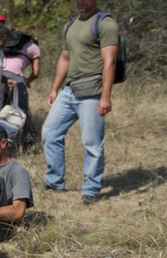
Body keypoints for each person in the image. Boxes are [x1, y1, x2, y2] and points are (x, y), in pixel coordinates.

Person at [42, 0, 119, 204]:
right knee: (50, 133)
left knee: (92, 143)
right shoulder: (71, 24)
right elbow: (65, 58)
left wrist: (105, 96)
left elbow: (109, 61)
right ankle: (54, 182)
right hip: (69, 91)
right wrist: (54, 88)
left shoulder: (105, 23)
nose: (81, 2)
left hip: (92, 91)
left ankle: (91, 190)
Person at [0, 15, 41, 142]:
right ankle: (26, 137)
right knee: (22, 111)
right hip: (18, 79)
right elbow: (36, 72)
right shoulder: (28, 44)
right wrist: (27, 81)